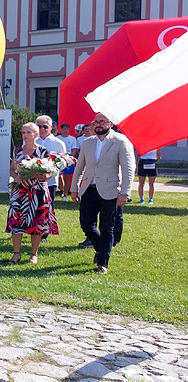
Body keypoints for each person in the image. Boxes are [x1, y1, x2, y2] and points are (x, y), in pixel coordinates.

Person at [72, 113, 135, 275]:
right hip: (89, 189)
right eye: (96, 122)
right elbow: (79, 167)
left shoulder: (121, 141)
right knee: (86, 224)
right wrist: (74, 188)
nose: (98, 125)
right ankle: (101, 248)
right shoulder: (87, 143)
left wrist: (125, 193)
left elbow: (128, 170)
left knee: (107, 227)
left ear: (111, 124)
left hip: (110, 191)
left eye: (102, 122)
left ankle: (102, 263)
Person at [6, 122, 58, 264]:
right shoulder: (18, 151)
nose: (25, 135)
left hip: (38, 191)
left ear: (36, 135)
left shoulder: (43, 151)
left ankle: (33, 254)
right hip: (20, 190)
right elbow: (12, 168)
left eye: (29, 132)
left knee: (37, 222)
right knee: (16, 221)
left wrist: (35, 174)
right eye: (23, 132)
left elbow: (49, 172)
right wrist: (15, 176)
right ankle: (16, 253)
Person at [35, 115, 67, 201]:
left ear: (51, 127)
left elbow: (63, 163)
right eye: (39, 126)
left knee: (48, 209)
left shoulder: (59, 143)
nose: (42, 129)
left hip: (50, 182)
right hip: (33, 181)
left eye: (45, 126)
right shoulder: (32, 141)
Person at [57, 123, 78, 200]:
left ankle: (65, 194)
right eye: (64, 128)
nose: (65, 130)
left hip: (68, 157)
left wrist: (71, 158)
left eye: (67, 128)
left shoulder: (72, 139)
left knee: (67, 177)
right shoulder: (58, 138)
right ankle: (61, 190)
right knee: (58, 176)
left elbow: (74, 149)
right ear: (61, 129)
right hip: (59, 157)